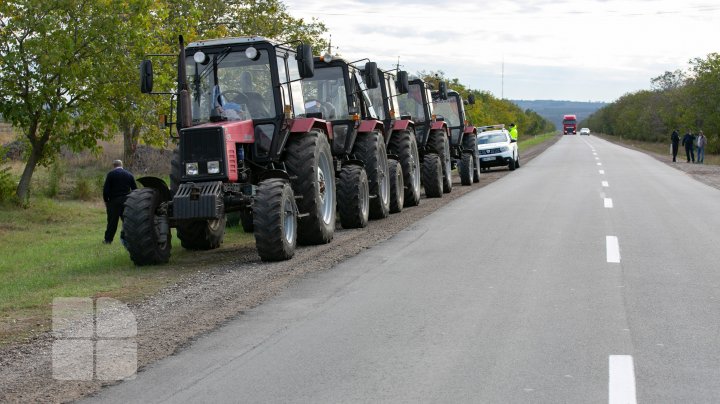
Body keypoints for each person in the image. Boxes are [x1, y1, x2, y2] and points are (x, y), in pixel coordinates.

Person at [102, 160, 137, 244]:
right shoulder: (129, 174)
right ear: (122, 165)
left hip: (114, 201)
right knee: (127, 221)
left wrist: (106, 201)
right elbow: (135, 189)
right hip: (127, 201)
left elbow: (106, 190)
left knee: (112, 222)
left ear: (113, 166)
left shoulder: (110, 174)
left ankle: (108, 240)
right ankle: (130, 239)